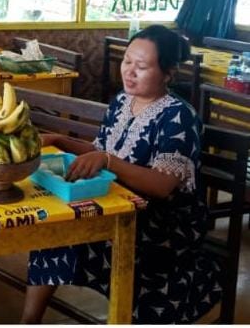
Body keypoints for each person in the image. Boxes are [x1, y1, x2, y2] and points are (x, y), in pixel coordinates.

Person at [21, 25, 222, 324]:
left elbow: (162, 185)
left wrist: (108, 161)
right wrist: (59, 140)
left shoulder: (179, 116)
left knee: (66, 237)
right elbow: (100, 150)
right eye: (127, 61)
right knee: (54, 229)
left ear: (168, 73)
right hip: (117, 203)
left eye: (142, 66)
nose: (129, 71)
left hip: (162, 222)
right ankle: (29, 320)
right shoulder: (121, 102)